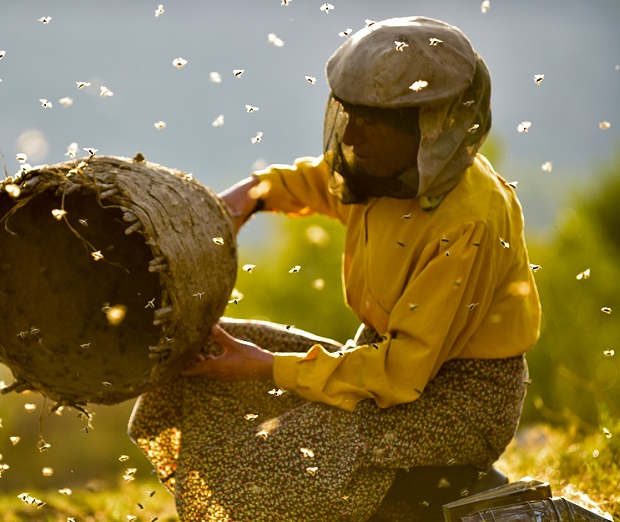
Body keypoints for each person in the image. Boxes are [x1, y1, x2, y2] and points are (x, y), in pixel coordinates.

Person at [129, 16, 541, 521]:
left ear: (431, 126)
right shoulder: (384, 169)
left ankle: (443, 493)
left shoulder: (468, 222)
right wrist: (246, 199)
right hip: (382, 365)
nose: (354, 137)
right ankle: (413, 493)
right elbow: (316, 181)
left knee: (275, 460)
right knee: (204, 359)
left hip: (455, 403)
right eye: (351, 116)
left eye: (374, 124)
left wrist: (263, 366)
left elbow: (400, 374)